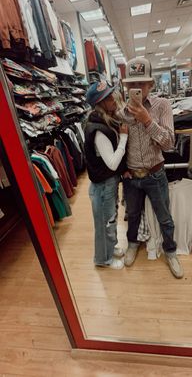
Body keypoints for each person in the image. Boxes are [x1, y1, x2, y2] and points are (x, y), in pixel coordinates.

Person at [120, 57, 184, 279]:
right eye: (130, 85)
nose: (135, 89)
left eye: (140, 84)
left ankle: (171, 251)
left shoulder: (162, 105)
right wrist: (121, 170)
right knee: (132, 214)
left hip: (155, 173)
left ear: (151, 84)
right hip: (131, 176)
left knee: (164, 216)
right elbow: (117, 143)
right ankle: (131, 244)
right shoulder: (121, 111)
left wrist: (148, 120)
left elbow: (169, 143)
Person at [84, 81, 128, 270]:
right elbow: (112, 163)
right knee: (104, 224)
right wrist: (124, 137)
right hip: (102, 187)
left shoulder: (104, 121)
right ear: (100, 103)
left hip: (107, 184)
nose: (114, 100)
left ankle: (110, 248)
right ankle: (103, 259)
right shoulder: (98, 129)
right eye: (109, 98)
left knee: (110, 219)